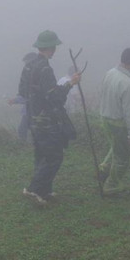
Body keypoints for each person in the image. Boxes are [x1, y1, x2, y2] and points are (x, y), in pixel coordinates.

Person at [18, 30, 81, 205]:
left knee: (41, 154)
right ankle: (35, 190)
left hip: (32, 117)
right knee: (54, 157)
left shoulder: (29, 65)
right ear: (51, 47)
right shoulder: (45, 68)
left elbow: (22, 91)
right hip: (46, 121)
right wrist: (71, 83)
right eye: (54, 47)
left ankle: (45, 190)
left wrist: (36, 98)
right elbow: (54, 96)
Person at [98, 48, 130, 194]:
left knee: (114, 148)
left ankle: (104, 170)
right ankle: (111, 186)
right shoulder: (127, 83)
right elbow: (129, 112)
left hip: (105, 118)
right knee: (122, 157)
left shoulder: (110, 73)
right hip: (118, 123)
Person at [8, 52, 39, 142]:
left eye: (27, 64)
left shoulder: (35, 76)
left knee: (23, 130)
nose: (26, 66)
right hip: (33, 109)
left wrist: (15, 100)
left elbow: (29, 95)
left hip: (33, 110)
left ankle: (24, 146)